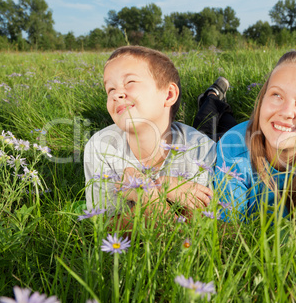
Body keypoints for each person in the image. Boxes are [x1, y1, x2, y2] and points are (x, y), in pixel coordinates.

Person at [201, 51, 296, 263]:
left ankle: (219, 102)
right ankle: (211, 97)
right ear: (263, 98)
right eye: (276, 95)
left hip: (258, 132)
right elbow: (227, 234)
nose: (286, 111)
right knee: (207, 123)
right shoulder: (232, 151)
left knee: (226, 119)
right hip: (226, 140)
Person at [84, 46, 216, 228]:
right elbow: (105, 227)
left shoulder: (201, 147)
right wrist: (148, 194)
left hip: (199, 135)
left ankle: (213, 97)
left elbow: (197, 222)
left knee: (214, 120)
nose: (116, 94)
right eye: (110, 89)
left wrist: (151, 187)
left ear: (169, 94)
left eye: (129, 82)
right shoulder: (101, 146)